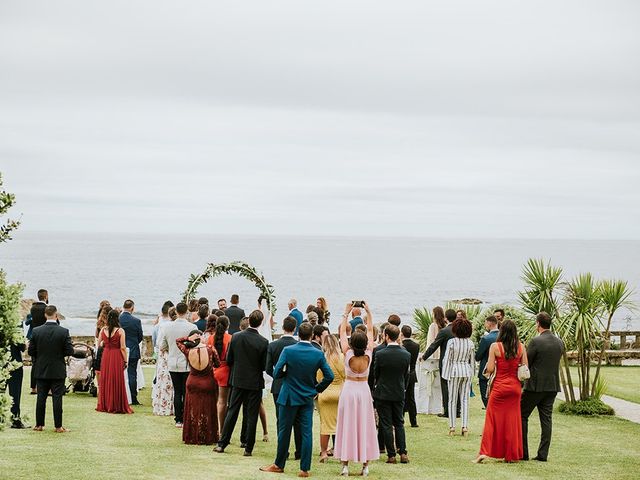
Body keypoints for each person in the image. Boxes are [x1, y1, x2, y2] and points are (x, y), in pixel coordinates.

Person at [260, 322, 334, 477]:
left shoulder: (288, 350)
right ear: (312, 335)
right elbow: (329, 376)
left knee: (284, 431)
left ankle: (279, 464)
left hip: (289, 395)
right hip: (307, 396)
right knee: (306, 432)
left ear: (298, 334)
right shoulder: (318, 353)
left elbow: (277, 371)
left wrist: (285, 376)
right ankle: (304, 468)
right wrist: (316, 389)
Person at [214, 310, 269, 456]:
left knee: (232, 411)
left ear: (249, 320)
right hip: (254, 382)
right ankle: (248, 448)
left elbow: (229, 359)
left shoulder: (236, 337)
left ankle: (222, 444)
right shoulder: (263, 342)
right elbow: (264, 365)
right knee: (251, 415)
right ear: (261, 322)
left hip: (237, 379)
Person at [335, 302, 379, 477]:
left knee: (347, 425)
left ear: (352, 342)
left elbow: (341, 333)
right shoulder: (369, 353)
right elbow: (370, 331)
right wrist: (368, 311)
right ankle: (365, 466)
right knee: (365, 425)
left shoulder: (347, 352)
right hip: (364, 391)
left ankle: (345, 465)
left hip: (349, 390)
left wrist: (346, 313)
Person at [475, 319, 528, 463]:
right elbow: (524, 368)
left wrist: (487, 369)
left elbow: (491, 368)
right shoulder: (521, 347)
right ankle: (511, 455)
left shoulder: (495, 346)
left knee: (492, 419)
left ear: (501, 331)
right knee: (512, 421)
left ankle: (484, 452)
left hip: (499, 387)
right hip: (515, 388)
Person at [521, 312, 565, 462]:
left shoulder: (535, 341)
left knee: (522, 416)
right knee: (546, 420)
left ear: (538, 324)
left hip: (534, 386)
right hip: (552, 386)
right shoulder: (560, 342)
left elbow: (527, 362)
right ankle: (542, 454)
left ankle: (523, 452)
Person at [28, 305, 74, 432]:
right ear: (56, 315)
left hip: (41, 368)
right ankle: (58, 426)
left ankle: (39, 425)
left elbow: (31, 351)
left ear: (45, 315)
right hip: (57, 369)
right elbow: (69, 350)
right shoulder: (63, 331)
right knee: (57, 398)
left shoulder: (36, 331)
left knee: (41, 398)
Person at [373, 324, 411, 464]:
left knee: (386, 424)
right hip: (399, 391)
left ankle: (391, 454)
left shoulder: (380, 354)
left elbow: (376, 373)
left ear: (386, 336)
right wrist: (403, 388)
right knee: (399, 422)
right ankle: (403, 452)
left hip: (383, 392)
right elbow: (406, 375)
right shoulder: (406, 354)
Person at [176, 330, 221, 445]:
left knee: (192, 408)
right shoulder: (211, 349)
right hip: (208, 381)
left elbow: (178, 341)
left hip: (193, 381)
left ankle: (192, 434)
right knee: (209, 408)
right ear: (201, 337)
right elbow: (218, 364)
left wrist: (188, 338)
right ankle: (208, 435)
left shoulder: (188, 350)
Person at [266, 316, 301, 459]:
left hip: (278, 386)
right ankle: (299, 452)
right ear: (294, 328)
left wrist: (278, 377)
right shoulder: (298, 345)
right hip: (295, 385)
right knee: (297, 420)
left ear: (283, 327)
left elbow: (268, 368)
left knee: (281, 419)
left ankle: (283, 452)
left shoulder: (273, 345)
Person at [158, 302, 194, 427]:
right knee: (185, 391)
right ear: (187, 311)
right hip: (186, 364)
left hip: (173, 363)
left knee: (177, 391)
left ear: (177, 312)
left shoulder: (167, 327)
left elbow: (162, 346)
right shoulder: (191, 327)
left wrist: (171, 349)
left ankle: (178, 419)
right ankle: (185, 417)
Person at [421, 308, 458, 418]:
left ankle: (447, 410)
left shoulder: (444, 331)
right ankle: (458, 410)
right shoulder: (459, 330)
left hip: (446, 362)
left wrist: (424, 356)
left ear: (446, 318)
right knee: (456, 385)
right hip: (457, 361)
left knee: (445, 385)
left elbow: (434, 345)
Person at [441, 318, 475, 436]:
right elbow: (472, 361)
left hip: (454, 371)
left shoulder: (452, 342)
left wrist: (445, 375)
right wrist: (472, 374)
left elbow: (447, 359)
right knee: (465, 400)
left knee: (452, 399)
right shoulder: (470, 343)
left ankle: (452, 426)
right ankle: (465, 426)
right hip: (466, 371)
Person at [96, 310, 133, 414]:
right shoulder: (120, 331)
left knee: (106, 379)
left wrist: (106, 344)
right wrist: (125, 360)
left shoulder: (103, 329)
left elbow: (99, 344)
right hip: (116, 356)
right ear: (118, 318)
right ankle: (116, 404)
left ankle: (106, 404)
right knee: (116, 379)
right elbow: (122, 347)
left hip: (106, 355)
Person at [317, 334, 345, 462]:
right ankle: (340, 452)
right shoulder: (342, 357)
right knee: (341, 425)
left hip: (326, 393)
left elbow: (319, 378)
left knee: (325, 425)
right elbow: (346, 375)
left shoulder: (323, 358)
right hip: (341, 393)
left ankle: (323, 452)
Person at [417, 307, 446, 415]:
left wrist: (425, 356)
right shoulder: (444, 326)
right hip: (440, 358)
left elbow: (431, 343)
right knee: (437, 386)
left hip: (432, 358)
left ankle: (426, 407)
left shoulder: (433, 326)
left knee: (427, 386)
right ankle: (437, 407)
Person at [209, 316, 232, 435]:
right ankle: (222, 430)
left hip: (213, 370)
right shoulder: (230, 338)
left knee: (216, 401)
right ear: (227, 325)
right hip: (225, 371)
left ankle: (215, 428)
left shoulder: (210, 338)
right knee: (223, 402)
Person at [152, 302, 176, 417]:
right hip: (171, 357)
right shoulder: (168, 327)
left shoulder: (162, 326)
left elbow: (159, 344)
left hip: (165, 358)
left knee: (165, 382)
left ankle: (164, 406)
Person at [119, 299, 143, 405]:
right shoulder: (136, 321)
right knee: (132, 374)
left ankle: (120, 396)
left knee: (119, 375)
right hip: (133, 349)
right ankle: (133, 398)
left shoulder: (118, 319)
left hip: (119, 350)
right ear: (132, 308)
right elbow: (140, 337)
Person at [476, 315, 500, 408]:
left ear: (489, 324)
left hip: (486, 370)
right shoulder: (503, 337)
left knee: (485, 395)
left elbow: (478, 356)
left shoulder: (486, 339)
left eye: (486, 323)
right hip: (499, 370)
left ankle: (490, 410)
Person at [29, 289, 49, 394]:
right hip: (45, 338)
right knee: (48, 362)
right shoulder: (46, 308)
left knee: (35, 364)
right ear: (46, 296)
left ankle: (33, 387)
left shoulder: (33, 308)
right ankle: (48, 388)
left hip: (35, 337)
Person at [401, 325, 420, 427]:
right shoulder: (416, 346)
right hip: (412, 373)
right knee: (411, 398)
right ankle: (414, 421)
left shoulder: (401, 346)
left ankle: (401, 419)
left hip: (403, 374)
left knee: (402, 397)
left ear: (402, 334)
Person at [8, 336, 27, 428]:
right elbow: (22, 347)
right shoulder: (16, 325)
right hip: (14, 363)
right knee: (15, 393)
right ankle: (15, 419)